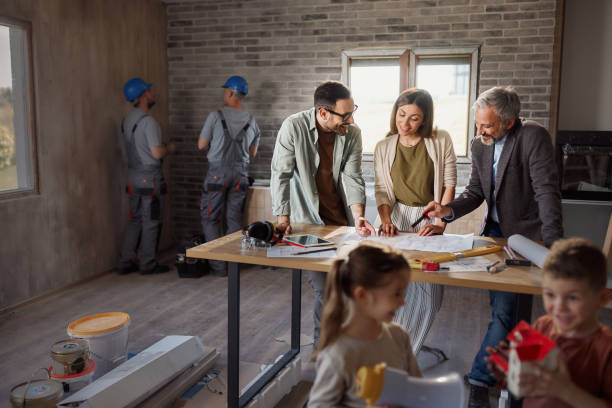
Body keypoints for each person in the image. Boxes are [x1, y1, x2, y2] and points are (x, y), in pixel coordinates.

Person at [423, 86, 563, 407]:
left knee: (506, 313)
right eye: (477, 124)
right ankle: (510, 383)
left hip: (526, 238)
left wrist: (554, 247)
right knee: (506, 313)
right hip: (495, 234)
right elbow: (475, 191)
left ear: (510, 121)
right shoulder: (480, 144)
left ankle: (481, 380)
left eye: (487, 125)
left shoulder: (532, 137)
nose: (480, 131)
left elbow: (546, 192)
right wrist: (448, 211)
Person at [271, 81, 376, 348]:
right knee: (326, 289)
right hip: (308, 222)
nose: (351, 120)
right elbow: (281, 174)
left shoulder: (352, 133)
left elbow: (353, 176)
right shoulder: (293, 127)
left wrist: (360, 215)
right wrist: (283, 219)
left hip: (342, 222)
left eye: (353, 112)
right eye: (345, 115)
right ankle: (325, 348)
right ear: (323, 113)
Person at [374, 88, 457, 355]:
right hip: (396, 218)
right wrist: (385, 220)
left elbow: (449, 183)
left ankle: (405, 351)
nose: (405, 123)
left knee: (428, 297)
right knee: (391, 287)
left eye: (414, 118)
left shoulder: (440, 139)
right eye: (401, 115)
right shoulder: (384, 146)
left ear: (425, 119)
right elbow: (382, 190)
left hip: (429, 217)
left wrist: (441, 223)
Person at [486, 238, 612, 408]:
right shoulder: (542, 325)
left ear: (602, 298)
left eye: (573, 297)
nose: (559, 307)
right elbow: (522, 383)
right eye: (551, 295)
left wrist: (565, 390)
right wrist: (508, 370)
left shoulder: (606, 349)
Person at [308, 244, 422, 407]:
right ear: (362, 296)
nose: (403, 302)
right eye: (397, 294)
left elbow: (417, 388)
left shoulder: (399, 336)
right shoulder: (338, 354)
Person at [199, 75, 260, 276]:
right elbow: (252, 153)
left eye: (225, 91)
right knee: (233, 220)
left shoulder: (215, 116)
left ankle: (219, 266)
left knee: (210, 219)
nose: (224, 94)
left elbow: (201, 145)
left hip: (217, 174)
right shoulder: (251, 121)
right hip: (240, 175)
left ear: (231, 93)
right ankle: (233, 263)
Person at [117, 77, 175, 275]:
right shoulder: (148, 122)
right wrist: (168, 148)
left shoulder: (126, 121)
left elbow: (126, 153)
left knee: (134, 219)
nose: (152, 94)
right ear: (142, 96)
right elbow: (156, 152)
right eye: (149, 91)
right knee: (152, 220)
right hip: (149, 179)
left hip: (132, 177)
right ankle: (148, 263)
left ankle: (125, 261)